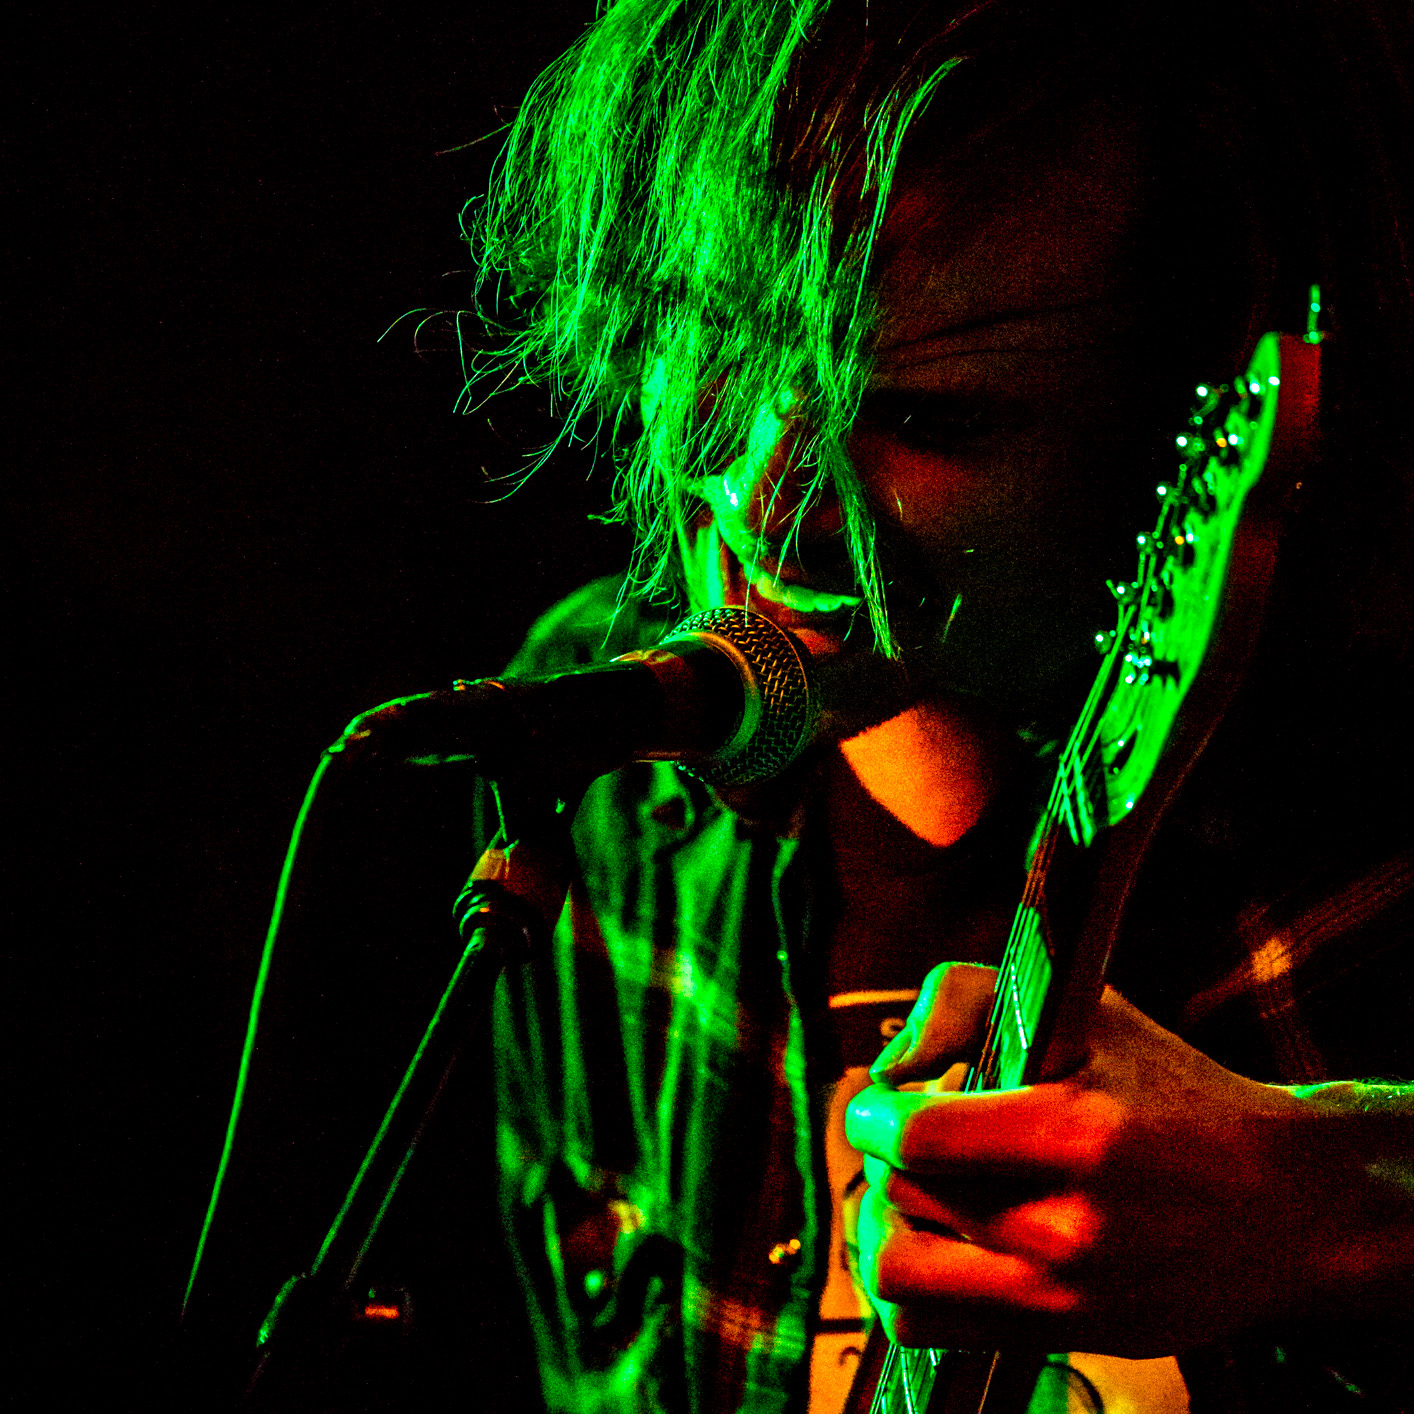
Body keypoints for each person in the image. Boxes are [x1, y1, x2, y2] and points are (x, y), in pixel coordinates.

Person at [464, 1, 1414, 1410]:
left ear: (1193, 432)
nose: (761, 496)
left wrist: (1350, 1217)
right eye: (715, 343)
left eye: (928, 421)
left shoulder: (1377, 823)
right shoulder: (597, 758)